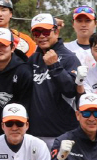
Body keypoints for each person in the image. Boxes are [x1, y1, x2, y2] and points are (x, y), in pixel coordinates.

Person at [25, 13, 84, 148]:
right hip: (35, 135)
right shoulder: (33, 59)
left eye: (45, 31)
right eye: (36, 32)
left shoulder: (70, 58)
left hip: (63, 134)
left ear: (56, 31)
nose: (41, 36)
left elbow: (71, 91)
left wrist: (54, 66)